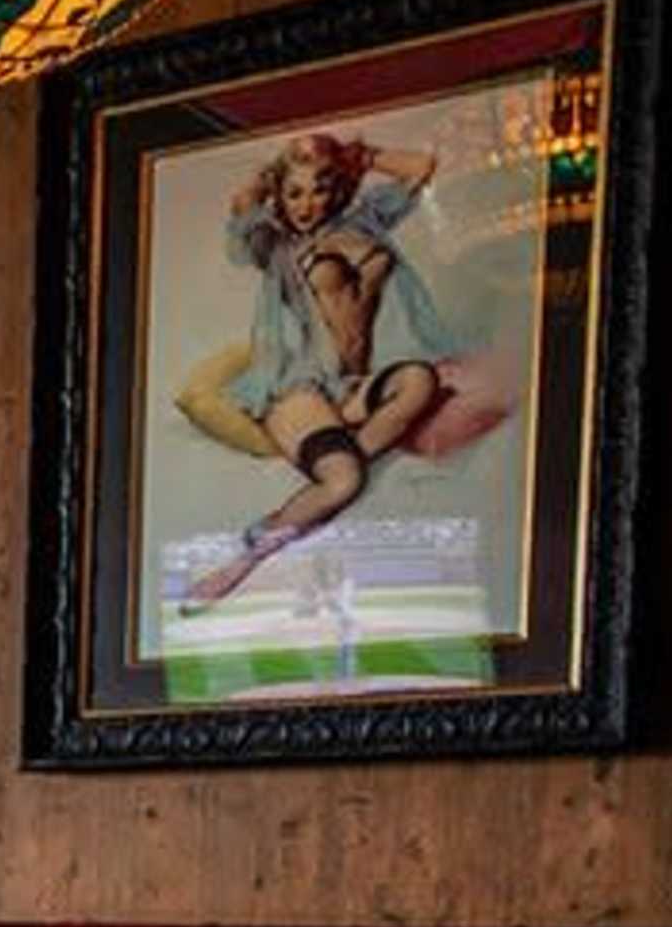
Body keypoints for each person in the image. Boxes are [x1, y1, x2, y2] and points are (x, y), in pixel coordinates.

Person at [180, 131, 480, 609]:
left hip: (349, 387)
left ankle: (333, 473)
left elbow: (421, 165)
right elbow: (241, 220)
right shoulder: (275, 246)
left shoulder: (366, 221)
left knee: (419, 380)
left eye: (318, 189)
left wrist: (363, 156)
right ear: (279, 196)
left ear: (336, 189)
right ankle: (239, 564)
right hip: (298, 389)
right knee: (344, 482)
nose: (307, 204)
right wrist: (263, 183)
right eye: (294, 192)